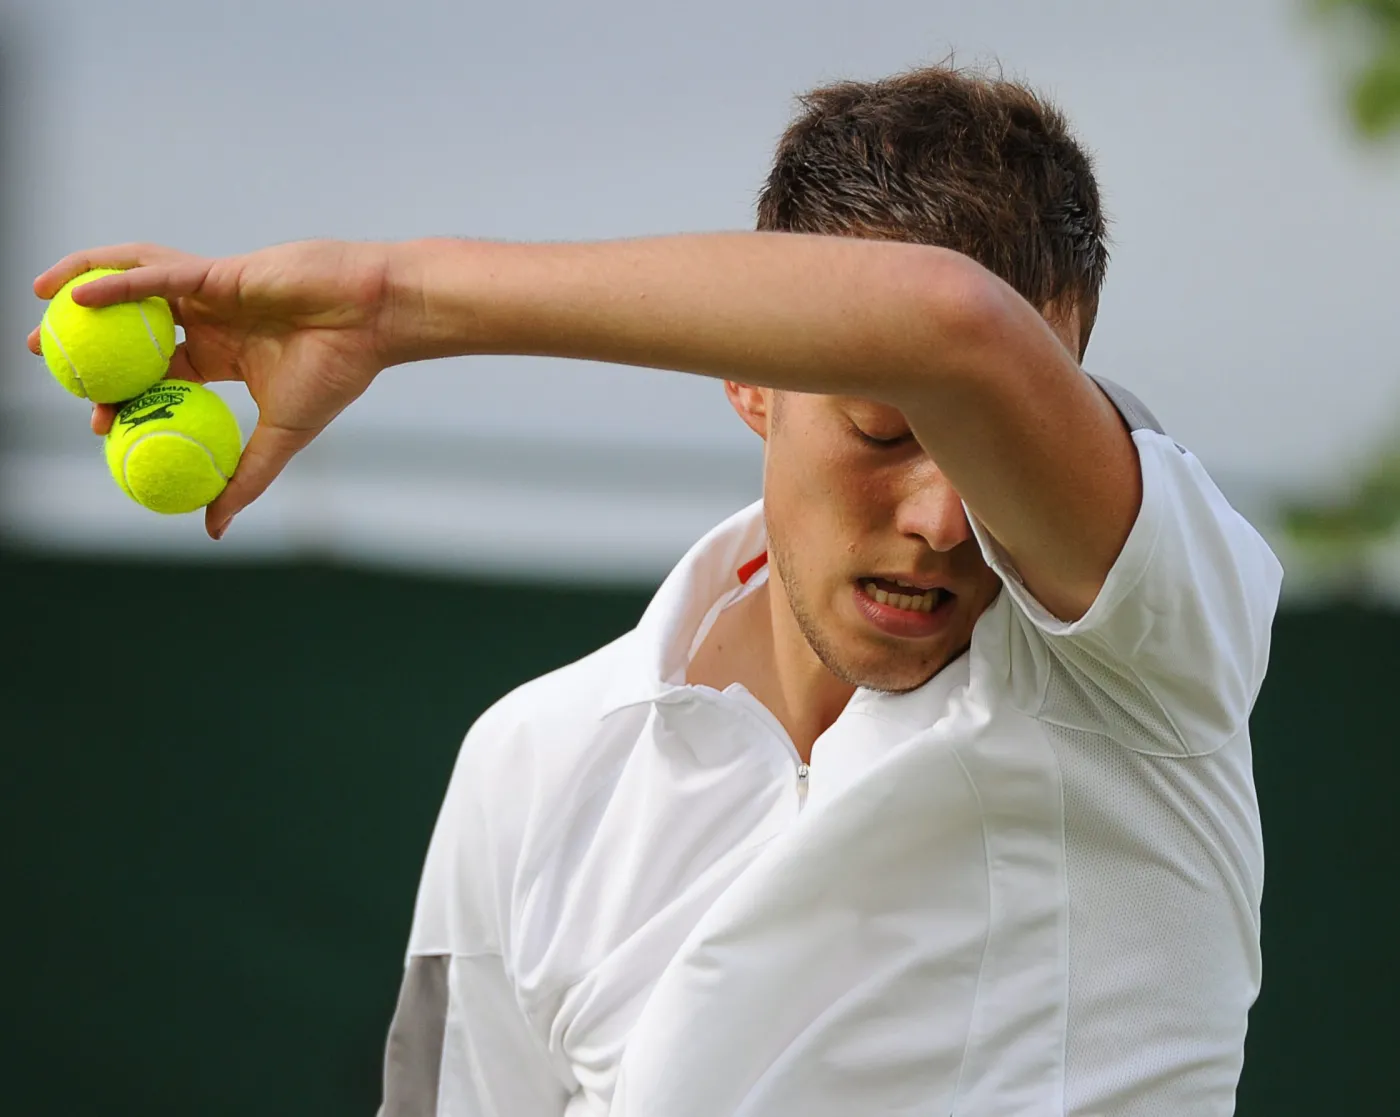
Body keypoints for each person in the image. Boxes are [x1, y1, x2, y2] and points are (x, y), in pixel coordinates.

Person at [30, 64, 1282, 1116]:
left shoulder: (1155, 644)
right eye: (882, 429)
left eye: (1002, 438)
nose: (942, 518)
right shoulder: (530, 761)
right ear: (747, 378)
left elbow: (949, 323)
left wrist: (390, 300)